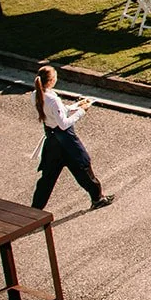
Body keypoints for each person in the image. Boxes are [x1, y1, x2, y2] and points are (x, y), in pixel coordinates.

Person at [29, 65, 112, 211]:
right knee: (83, 167)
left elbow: (58, 112)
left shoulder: (37, 94)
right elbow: (63, 123)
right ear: (52, 80)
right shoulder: (53, 100)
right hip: (66, 141)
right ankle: (97, 198)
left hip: (52, 141)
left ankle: (35, 210)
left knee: (48, 177)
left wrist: (75, 105)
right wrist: (81, 111)